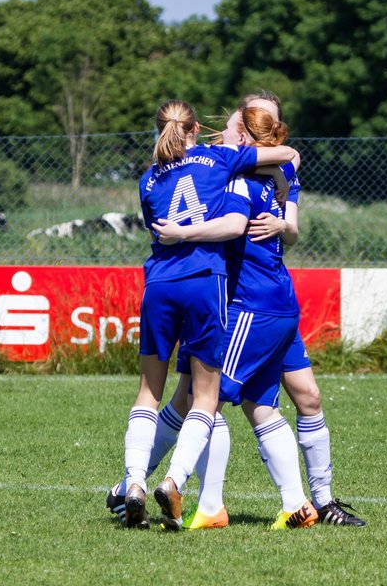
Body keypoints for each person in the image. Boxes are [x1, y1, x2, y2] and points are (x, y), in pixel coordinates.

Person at [109, 93, 365, 528]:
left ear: (247, 137)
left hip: (257, 302)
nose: (222, 135)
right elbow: (278, 169)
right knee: (234, 402)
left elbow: (282, 222)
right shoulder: (236, 169)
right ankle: (283, 503)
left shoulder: (236, 173)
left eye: (231, 130)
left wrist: (281, 222)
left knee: (210, 400)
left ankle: (192, 498)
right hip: (253, 301)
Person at [121, 99, 299, 531]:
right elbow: (288, 155)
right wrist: (278, 178)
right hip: (205, 282)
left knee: (149, 393)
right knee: (206, 397)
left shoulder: (148, 180)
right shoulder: (220, 158)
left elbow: (155, 230)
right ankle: (174, 481)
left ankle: (132, 485)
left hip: (158, 284)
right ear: (197, 127)